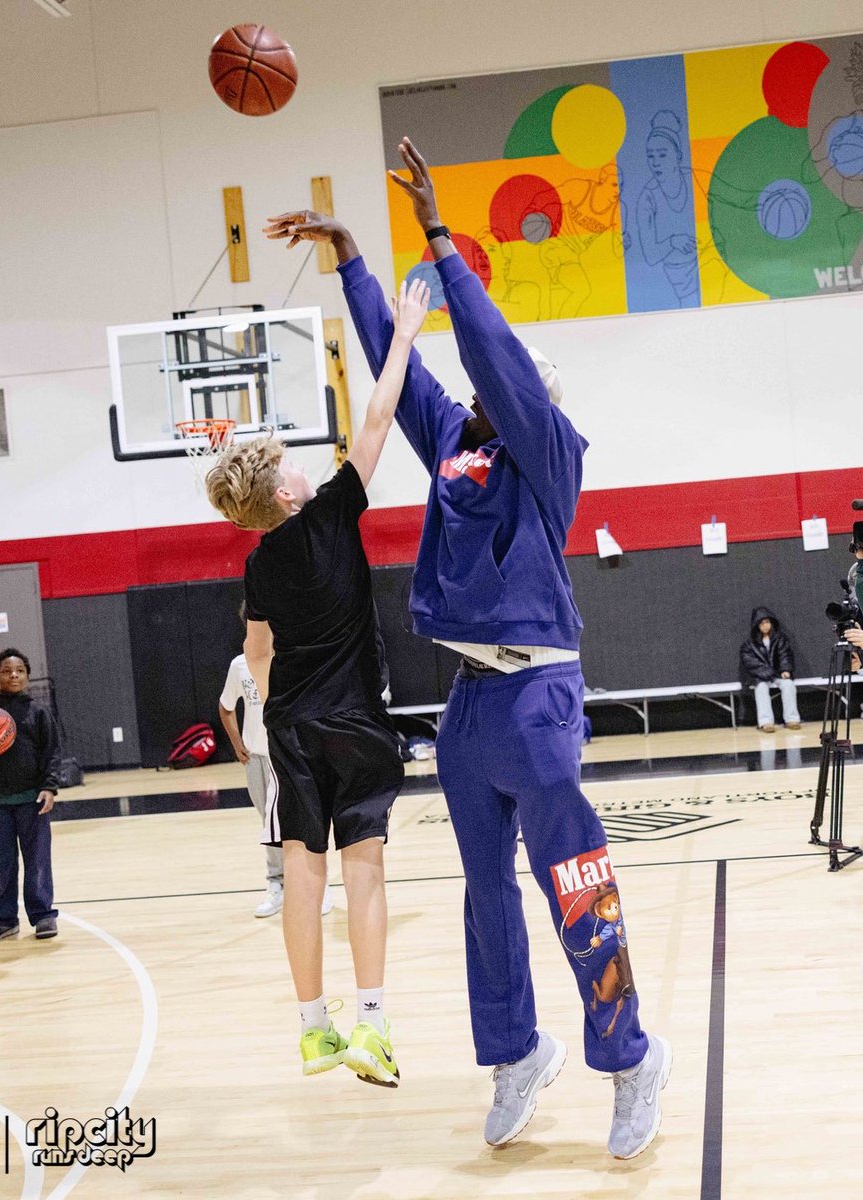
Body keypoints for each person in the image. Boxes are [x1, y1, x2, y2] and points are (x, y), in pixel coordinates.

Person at [264, 138, 669, 1159]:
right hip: (470, 704)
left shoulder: (549, 455)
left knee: (573, 883)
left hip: (538, 697)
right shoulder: (456, 441)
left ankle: (631, 1058)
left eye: (505, 384)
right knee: (485, 900)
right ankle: (516, 1053)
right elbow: (400, 368)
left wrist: (442, 239)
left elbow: (489, 356)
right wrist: (354, 262)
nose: (486, 390)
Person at [204, 278, 429, 1087]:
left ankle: (312, 1030)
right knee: (362, 867)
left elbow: (257, 650)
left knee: (304, 873)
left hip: (293, 728)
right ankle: (372, 1025)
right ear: (285, 492)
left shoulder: (258, 565)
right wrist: (403, 335)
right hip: (356, 721)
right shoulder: (333, 511)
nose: (306, 467)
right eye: (293, 464)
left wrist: (273, 713)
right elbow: (378, 417)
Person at [218, 618, 333, 919]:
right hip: (257, 757)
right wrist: (237, 743)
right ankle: (277, 885)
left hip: (291, 753)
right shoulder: (239, 665)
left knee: (305, 819)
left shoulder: (291, 659)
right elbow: (226, 706)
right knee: (269, 824)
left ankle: (320, 886)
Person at [0, 648, 61, 943]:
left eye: (19, 671)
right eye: (6, 671)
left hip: (31, 799)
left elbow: (52, 752)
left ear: (27, 676)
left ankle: (43, 915)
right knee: (1, 863)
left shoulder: (38, 712)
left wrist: (49, 787)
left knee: (37, 860)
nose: (13, 675)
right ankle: (4, 920)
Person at [739, 607, 801, 732]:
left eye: (767, 622)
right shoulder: (749, 645)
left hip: (778, 675)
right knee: (761, 688)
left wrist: (785, 669)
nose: (765, 625)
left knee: (788, 685)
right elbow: (750, 662)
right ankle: (766, 722)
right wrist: (765, 672)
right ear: (757, 625)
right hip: (760, 677)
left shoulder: (780, 639)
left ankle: (792, 719)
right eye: (761, 623)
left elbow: (785, 655)